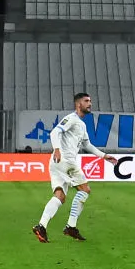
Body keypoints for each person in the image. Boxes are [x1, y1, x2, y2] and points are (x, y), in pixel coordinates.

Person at [36, 92, 101, 242]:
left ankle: (41, 226)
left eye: (90, 100)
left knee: (60, 196)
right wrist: (57, 149)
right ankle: (71, 226)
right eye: (86, 101)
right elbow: (54, 132)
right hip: (66, 161)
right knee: (85, 190)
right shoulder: (71, 119)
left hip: (57, 163)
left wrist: (104, 156)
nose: (90, 103)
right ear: (79, 104)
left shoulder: (82, 125)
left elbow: (88, 145)